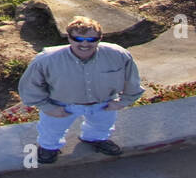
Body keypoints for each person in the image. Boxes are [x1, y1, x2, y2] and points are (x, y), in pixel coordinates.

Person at [18, 15, 142, 165]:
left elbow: (132, 79)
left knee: (102, 127)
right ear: (69, 38)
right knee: (51, 131)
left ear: (100, 38)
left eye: (91, 40)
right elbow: (30, 85)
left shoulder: (118, 55)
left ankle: (96, 139)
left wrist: (123, 102)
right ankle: (49, 147)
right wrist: (48, 107)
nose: (84, 44)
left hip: (103, 103)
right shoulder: (46, 59)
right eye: (78, 39)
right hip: (60, 104)